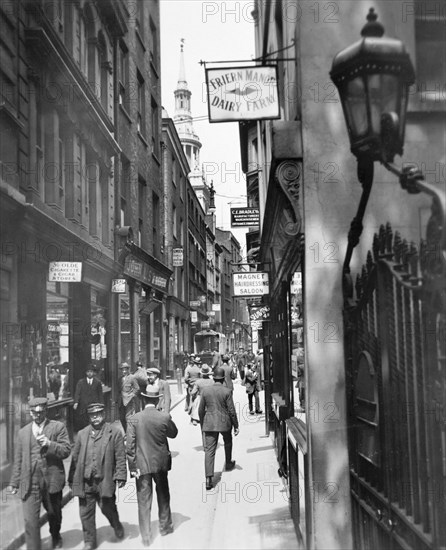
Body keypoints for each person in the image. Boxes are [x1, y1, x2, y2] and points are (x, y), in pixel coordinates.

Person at [8, 397, 71, 550]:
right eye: (35, 413)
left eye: (41, 413)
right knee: (30, 521)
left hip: (52, 479)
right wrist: (14, 482)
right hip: (30, 482)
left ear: (46, 411)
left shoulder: (57, 427)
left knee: (53, 514)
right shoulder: (23, 433)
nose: (38, 416)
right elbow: (19, 460)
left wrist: (50, 444)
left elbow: (66, 451)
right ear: (30, 413)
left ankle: (56, 536)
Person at [68, 403, 126, 550]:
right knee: (85, 513)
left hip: (104, 479)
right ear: (88, 417)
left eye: (98, 414)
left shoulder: (115, 432)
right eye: (92, 415)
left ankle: (116, 524)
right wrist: (71, 479)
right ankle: (89, 541)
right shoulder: (82, 434)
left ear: (104, 414)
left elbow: (120, 456)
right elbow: (75, 458)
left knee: (107, 507)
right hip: (86, 481)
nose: (95, 417)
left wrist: (120, 475)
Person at [126, 386, 178, 547]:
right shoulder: (163, 417)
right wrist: (166, 417)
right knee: (163, 495)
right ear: (157, 400)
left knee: (143, 500)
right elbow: (174, 433)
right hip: (160, 463)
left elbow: (129, 446)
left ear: (143, 400)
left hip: (141, 465)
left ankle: (146, 536)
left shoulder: (134, 419)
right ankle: (165, 527)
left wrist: (132, 467)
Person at [198, 366, 239, 490]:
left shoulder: (205, 391)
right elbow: (231, 410)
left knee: (209, 450)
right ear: (222, 379)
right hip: (224, 422)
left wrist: (202, 423)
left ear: (213, 377)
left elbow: (201, 410)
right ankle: (228, 462)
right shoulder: (227, 391)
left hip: (209, 423)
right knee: (228, 440)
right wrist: (236, 425)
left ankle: (208, 479)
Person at [73, 366, 103, 430]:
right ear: (86, 373)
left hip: (94, 405)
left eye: (91, 372)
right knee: (84, 420)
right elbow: (77, 393)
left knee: (94, 419)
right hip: (84, 405)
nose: (89, 373)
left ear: (93, 373)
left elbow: (100, 394)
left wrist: (101, 404)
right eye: (88, 372)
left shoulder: (97, 382)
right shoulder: (81, 382)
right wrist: (76, 402)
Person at [118, 362, 139, 431]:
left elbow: (137, 388)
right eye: (123, 370)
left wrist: (132, 395)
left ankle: (129, 433)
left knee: (128, 417)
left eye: (125, 370)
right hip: (121, 401)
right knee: (121, 418)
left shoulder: (132, 377)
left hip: (129, 401)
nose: (124, 371)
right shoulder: (120, 379)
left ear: (128, 370)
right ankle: (125, 431)